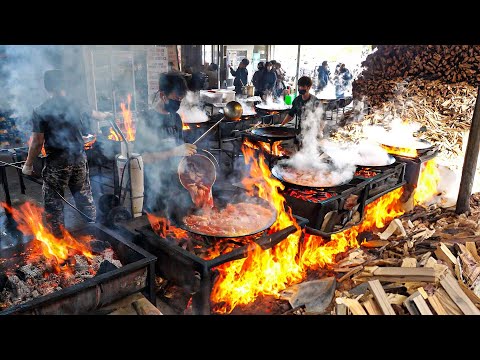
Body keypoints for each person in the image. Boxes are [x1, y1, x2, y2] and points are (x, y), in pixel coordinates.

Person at [21, 69, 110, 237]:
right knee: (84, 198)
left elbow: (37, 142)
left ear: (46, 87)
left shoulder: (41, 110)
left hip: (57, 163)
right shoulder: (76, 103)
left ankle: (59, 240)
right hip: (79, 159)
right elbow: (97, 115)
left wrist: (28, 164)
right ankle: (96, 233)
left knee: (54, 203)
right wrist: (107, 115)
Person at [134, 72, 197, 221]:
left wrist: (189, 172)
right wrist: (174, 151)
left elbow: (180, 154)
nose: (178, 103)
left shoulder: (175, 118)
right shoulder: (146, 120)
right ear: (163, 95)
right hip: (153, 187)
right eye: (176, 99)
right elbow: (141, 159)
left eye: (181, 99)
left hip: (175, 184)